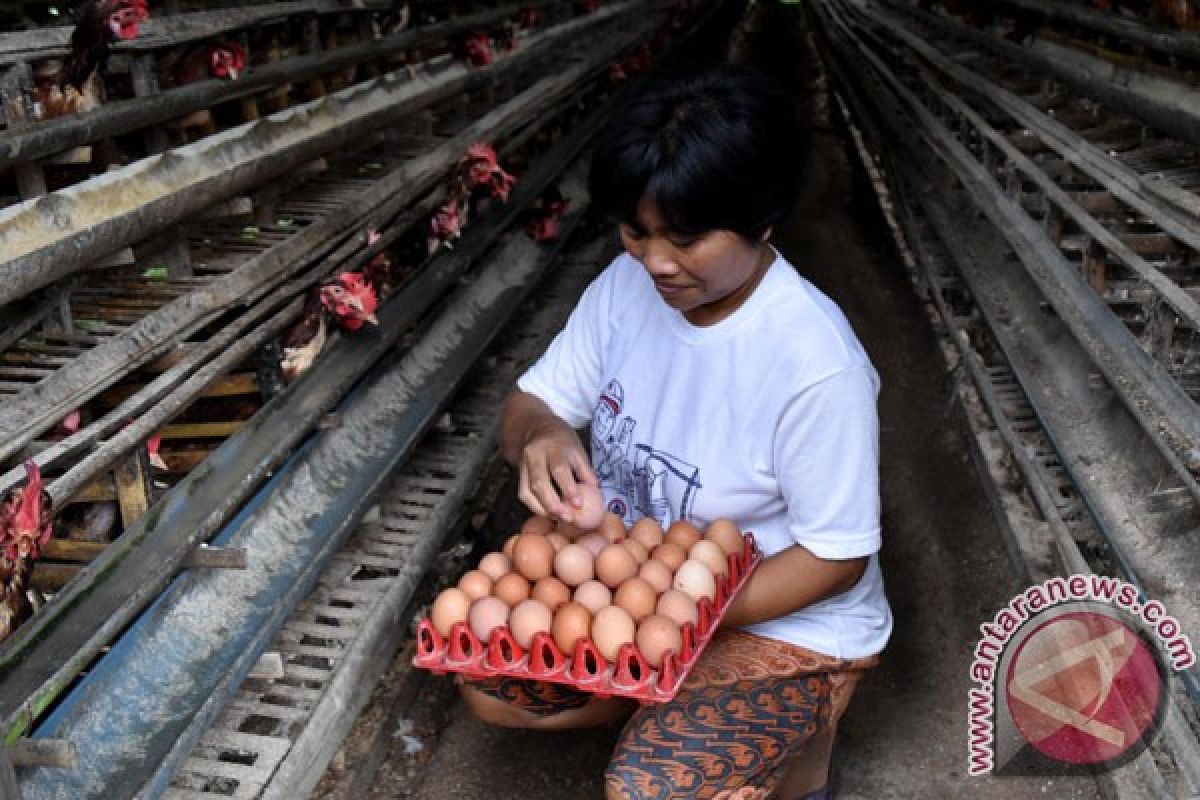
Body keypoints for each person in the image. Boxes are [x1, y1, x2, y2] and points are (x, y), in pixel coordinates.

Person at [460, 63, 892, 800]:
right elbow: (530, 404)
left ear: (761, 221)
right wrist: (542, 437)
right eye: (636, 230)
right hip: (647, 588)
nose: (655, 260)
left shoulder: (815, 364)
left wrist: (672, 616)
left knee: (650, 789)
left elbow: (835, 557)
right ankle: (660, 693)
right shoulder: (625, 290)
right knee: (490, 688)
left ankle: (802, 737)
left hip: (781, 619)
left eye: (686, 239)